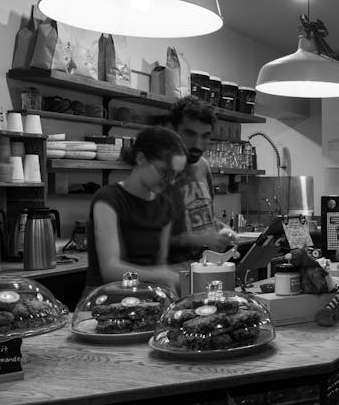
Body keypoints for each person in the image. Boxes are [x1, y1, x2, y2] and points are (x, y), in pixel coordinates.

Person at [85, 127, 186, 290]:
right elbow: (110, 270)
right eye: (165, 172)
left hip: (147, 299)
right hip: (104, 299)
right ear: (141, 158)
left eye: (175, 175)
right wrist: (163, 275)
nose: (171, 181)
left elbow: (160, 265)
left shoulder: (165, 205)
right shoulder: (108, 199)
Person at [163, 97, 236, 265]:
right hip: (171, 273)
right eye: (190, 134)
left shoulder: (202, 166)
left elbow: (205, 216)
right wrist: (195, 240)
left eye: (205, 136)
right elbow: (145, 238)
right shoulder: (158, 171)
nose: (198, 144)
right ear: (172, 129)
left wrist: (222, 229)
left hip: (203, 267)